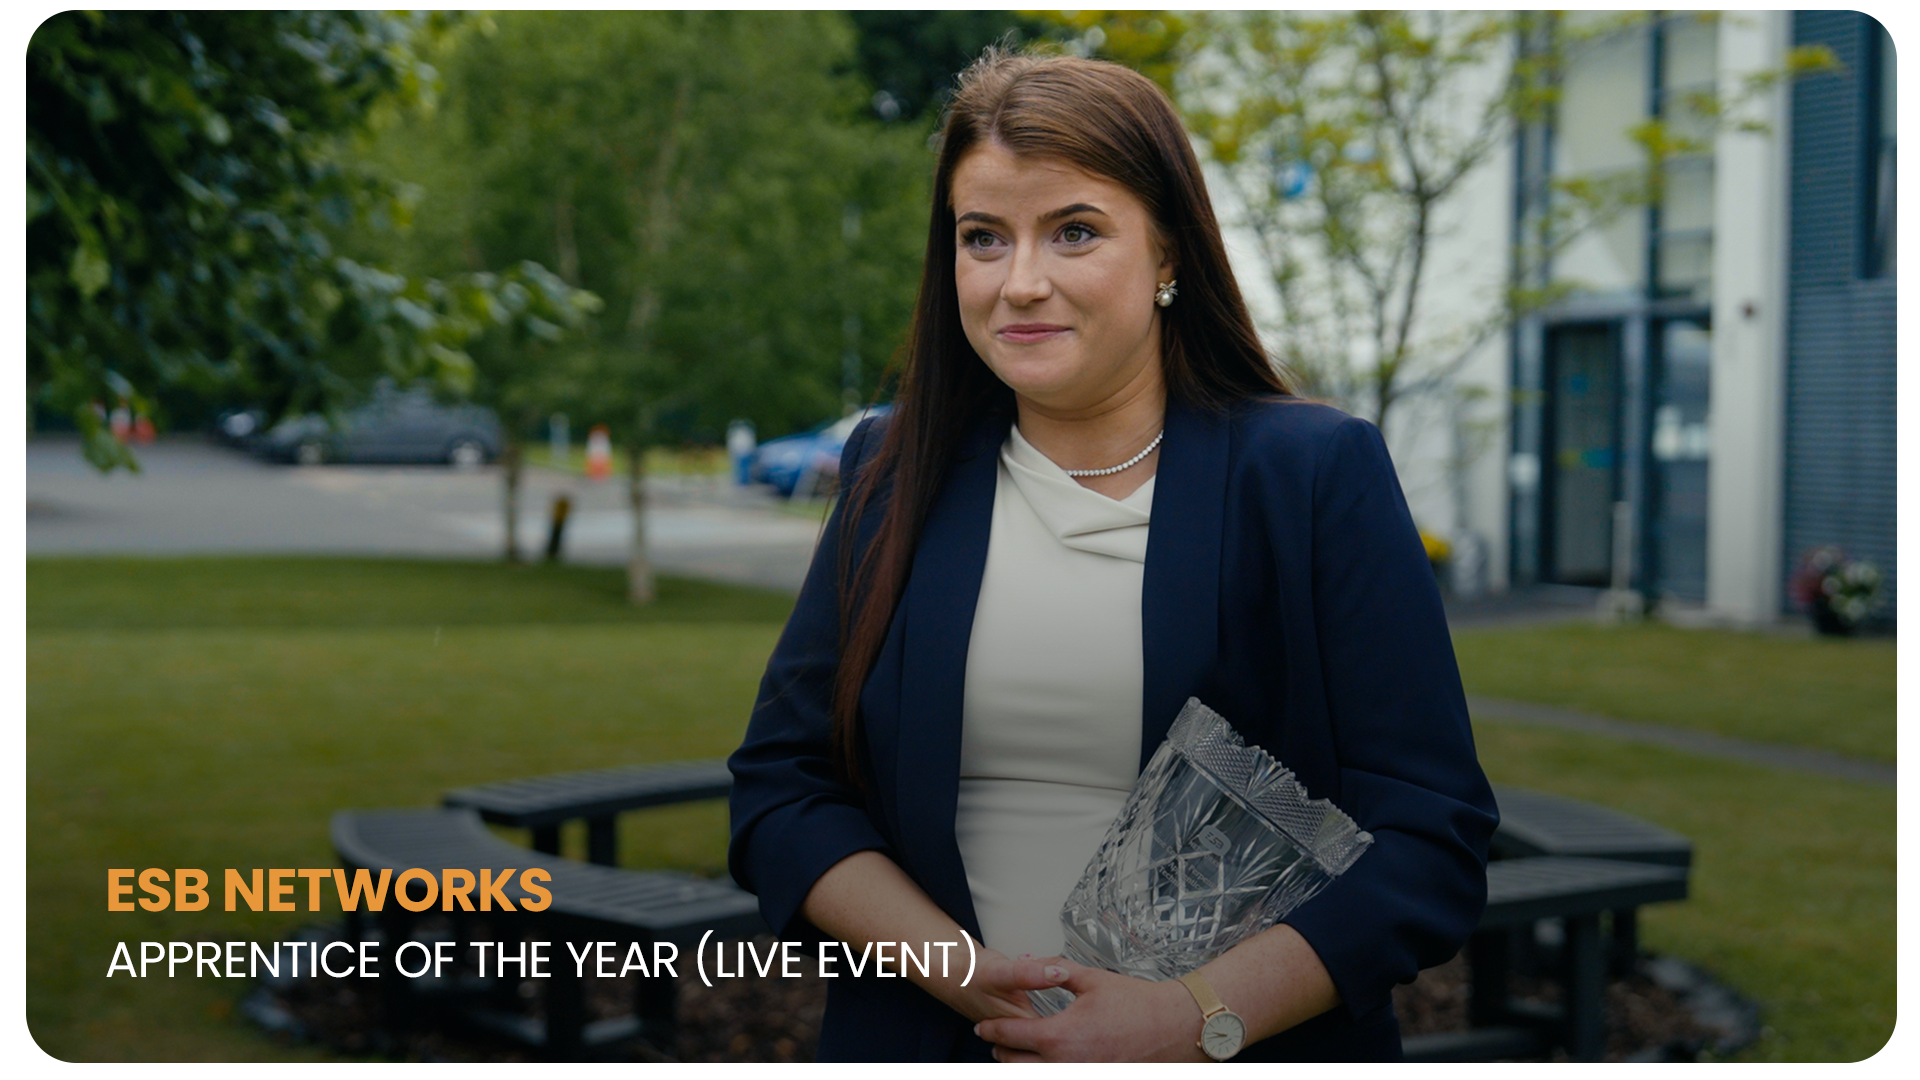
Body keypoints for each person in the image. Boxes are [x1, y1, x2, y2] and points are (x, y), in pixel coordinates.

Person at [728, 47, 1497, 1064]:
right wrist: (966, 979)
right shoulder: (891, 471)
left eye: (1075, 232)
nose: (1021, 284)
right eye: (983, 239)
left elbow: (1427, 843)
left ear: (1169, 255)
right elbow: (783, 792)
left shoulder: (1311, 475)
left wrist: (1188, 1023)